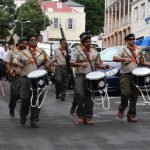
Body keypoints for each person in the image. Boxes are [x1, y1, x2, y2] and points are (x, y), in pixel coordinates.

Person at [70, 32, 109, 125]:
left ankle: (88, 117)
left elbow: (98, 64)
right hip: (80, 76)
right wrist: (80, 64)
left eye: (90, 41)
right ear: (82, 42)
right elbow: (71, 63)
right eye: (86, 41)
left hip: (91, 77)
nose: (89, 43)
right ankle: (80, 115)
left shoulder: (95, 51)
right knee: (80, 95)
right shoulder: (76, 50)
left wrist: (104, 67)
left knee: (90, 97)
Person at [12, 34, 51, 128]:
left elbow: (47, 62)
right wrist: (18, 64)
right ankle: (23, 114)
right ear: (28, 42)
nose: (33, 42)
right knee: (25, 99)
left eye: (35, 40)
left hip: (39, 79)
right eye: (31, 40)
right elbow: (14, 61)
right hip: (26, 79)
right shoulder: (23, 52)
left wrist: (48, 65)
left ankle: (34, 119)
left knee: (37, 99)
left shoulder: (42, 52)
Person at [113, 33, 150, 122]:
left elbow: (142, 61)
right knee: (125, 93)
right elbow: (114, 58)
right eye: (130, 39)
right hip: (125, 74)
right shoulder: (123, 49)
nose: (132, 41)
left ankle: (131, 115)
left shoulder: (138, 50)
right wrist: (123, 59)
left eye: (133, 39)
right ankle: (122, 108)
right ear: (126, 41)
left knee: (134, 95)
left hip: (135, 76)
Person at [4, 37, 28, 117]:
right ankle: (11, 108)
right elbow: (7, 62)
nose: (24, 45)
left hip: (25, 77)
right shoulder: (12, 52)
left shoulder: (28, 52)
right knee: (15, 94)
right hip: (15, 76)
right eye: (23, 43)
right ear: (19, 43)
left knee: (24, 96)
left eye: (26, 43)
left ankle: (22, 113)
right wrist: (10, 71)